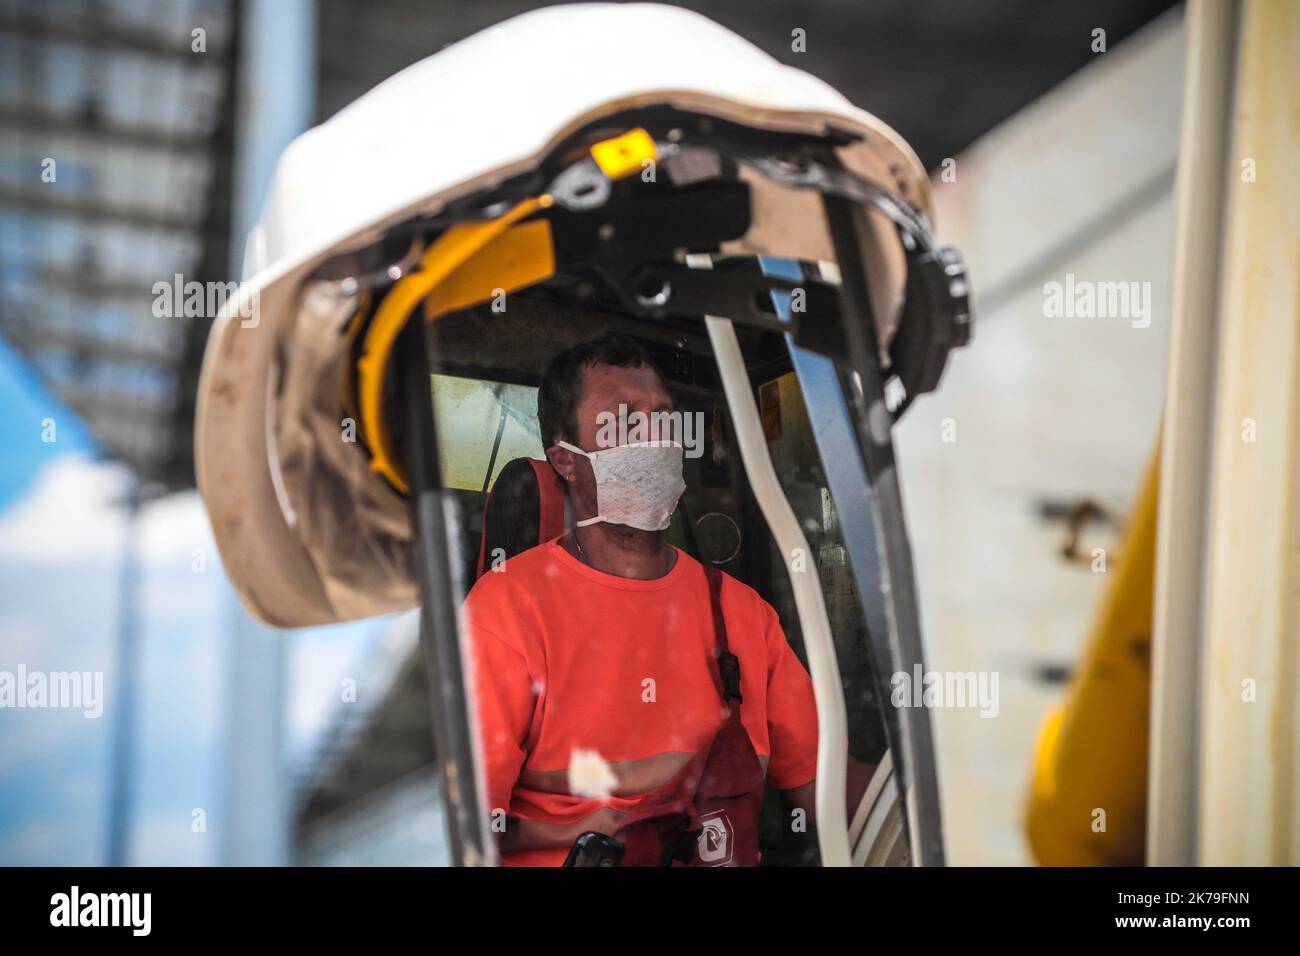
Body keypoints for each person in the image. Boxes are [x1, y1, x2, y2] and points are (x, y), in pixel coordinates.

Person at [462, 333, 868, 866]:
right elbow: (460, 830)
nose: (655, 437)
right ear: (564, 458)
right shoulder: (505, 612)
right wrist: (587, 829)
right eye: (626, 420)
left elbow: (832, 791)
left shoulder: (743, 615)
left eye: (664, 418)